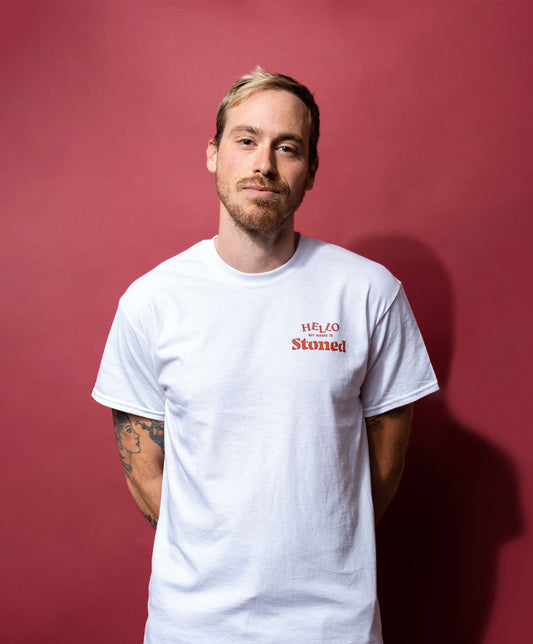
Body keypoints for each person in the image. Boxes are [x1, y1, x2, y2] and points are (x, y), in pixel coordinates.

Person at [92, 68, 438, 643]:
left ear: (311, 171)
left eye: (288, 148)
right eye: (246, 140)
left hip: (334, 625)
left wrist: (323, 548)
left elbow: (385, 463)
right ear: (213, 154)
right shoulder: (151, 302)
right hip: (193, 626)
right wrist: (215, 557)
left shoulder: (368, 292)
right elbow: (145, 473)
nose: (264, 165)